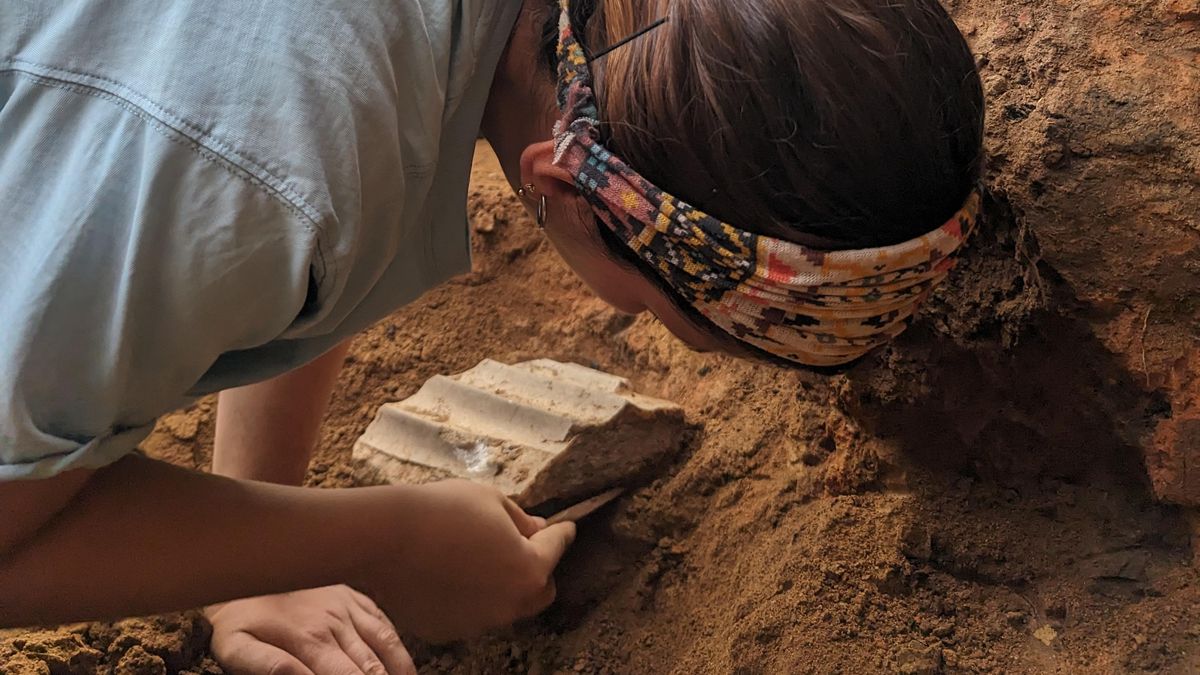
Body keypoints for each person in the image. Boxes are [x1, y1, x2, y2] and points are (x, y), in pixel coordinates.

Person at [0, 0, 983, 672]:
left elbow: (354, 190)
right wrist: (394, 541)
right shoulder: (250, 177)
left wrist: (269, 550)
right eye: (664, 315)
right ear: (561, 187)